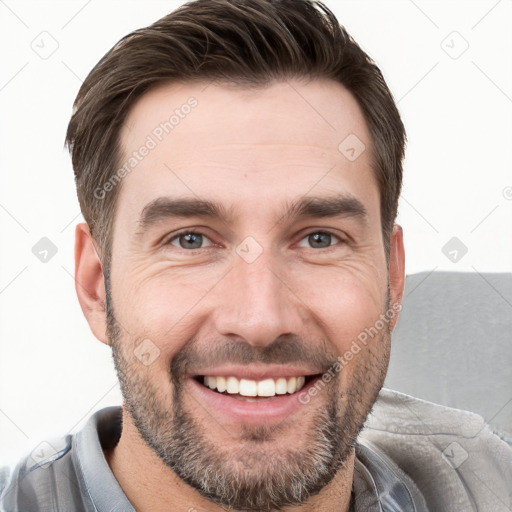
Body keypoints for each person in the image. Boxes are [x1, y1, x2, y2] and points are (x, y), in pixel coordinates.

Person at [1, 0, 510, 510]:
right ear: (96, 285)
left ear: (392, 281)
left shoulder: (484, 479)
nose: (260, 320)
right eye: (190, 240)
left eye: (319, 239)